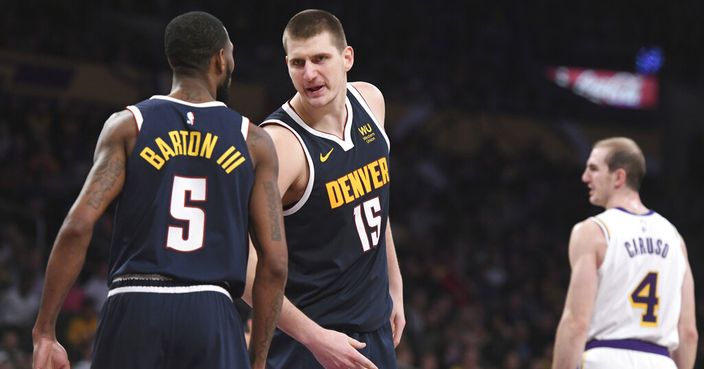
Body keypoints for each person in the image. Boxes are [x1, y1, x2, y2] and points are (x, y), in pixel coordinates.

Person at [31, 11, 287, 369]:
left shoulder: (127, 126)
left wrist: (45, 331)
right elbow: (274, 265)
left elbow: (77, 226)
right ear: (220, 58)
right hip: (210, 311)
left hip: (134, 305)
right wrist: (258, 361)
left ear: (173, 60)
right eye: (231, 52)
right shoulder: (254, 141)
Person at [243, 9, 404, 369]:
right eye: (298, 62)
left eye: (320, 58)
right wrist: (313, 337)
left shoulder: (370, 102)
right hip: (309, 342)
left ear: (347, 58)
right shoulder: (281, 145)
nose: (310, 73)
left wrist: (396, 285)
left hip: (373, 328)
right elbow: (240, 259)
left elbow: (375, 198)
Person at [552, 137, 697, 369]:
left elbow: (576, 323)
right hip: (661, 361)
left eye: (593, 169)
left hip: (606, 358)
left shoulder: (593, 232)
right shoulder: (675, 239)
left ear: (619, 177)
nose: (585, 177)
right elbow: (688, 332)